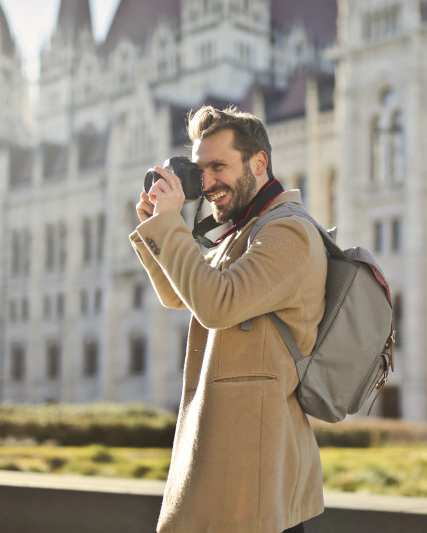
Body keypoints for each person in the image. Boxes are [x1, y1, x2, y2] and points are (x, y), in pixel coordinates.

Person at [130, 105, 327, 533]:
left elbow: (217, 304)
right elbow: (181, 295)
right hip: (232, 458)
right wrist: (156, 228)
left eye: (219, 166)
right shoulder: (246, 231)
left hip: (257, 470)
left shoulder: (287, 231)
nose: (208, 183)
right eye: (201, 171)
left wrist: (170, 226)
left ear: (259, 163)